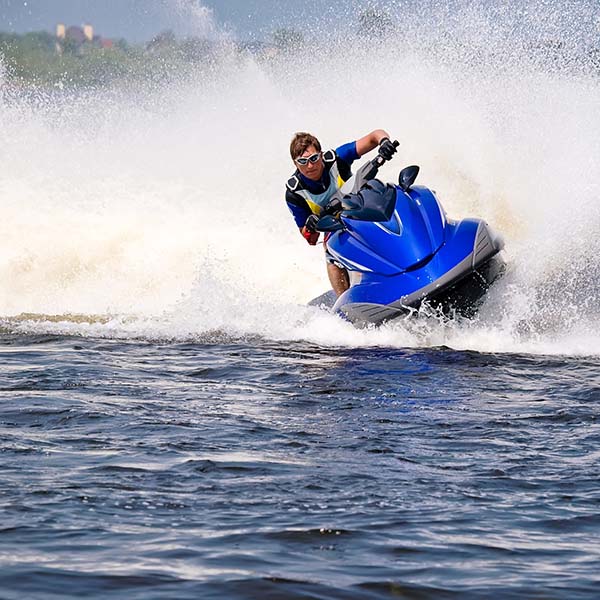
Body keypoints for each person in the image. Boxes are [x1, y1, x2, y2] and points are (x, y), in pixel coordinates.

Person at [285, 130, 396, 296]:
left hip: (362, 211)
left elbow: (375, 136)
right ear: (295, 164)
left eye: (314, 158)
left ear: (321, 155)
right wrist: (310, 226)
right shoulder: (294, 193)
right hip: (336, 230)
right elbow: (310, 238)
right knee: (330, 251)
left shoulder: (338, 158)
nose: (310, 166)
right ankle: (345, 303)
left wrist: (384, 142)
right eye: (303, 161)